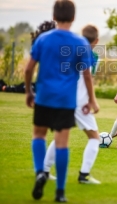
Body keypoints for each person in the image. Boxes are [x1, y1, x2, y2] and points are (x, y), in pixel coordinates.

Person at [24, 0, 99, 202]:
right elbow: (87, 75)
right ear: (73, 18)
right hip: (66, 100)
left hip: (44, 96)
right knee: (62, 143)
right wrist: (92, 100)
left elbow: (29, 69)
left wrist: (29, 92)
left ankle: (41, 171)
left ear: (54, 16)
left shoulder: (43, 39)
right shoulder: (80, 43)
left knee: (38, 136)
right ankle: (60, 192)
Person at [43, 24, 101, 184]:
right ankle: (84, 175)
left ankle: (45, 171)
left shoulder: (69, 51)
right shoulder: (90, 54)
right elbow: (88, 77)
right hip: (80, 102)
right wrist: (92, 101)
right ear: (96, 40)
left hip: (64, 99)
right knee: (94, 137)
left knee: (60, 136)